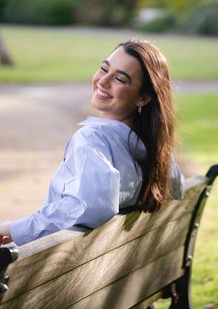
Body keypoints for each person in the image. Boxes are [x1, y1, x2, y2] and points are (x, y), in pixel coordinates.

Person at [0, 39, 184, 246]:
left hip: (56, 270)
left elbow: (92, 207)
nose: (103, 81)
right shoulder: (158, 152)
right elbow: (177, 190)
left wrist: (12, 229)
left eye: (120, 79)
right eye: (104, 69)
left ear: (143, 98)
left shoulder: (93, 140)